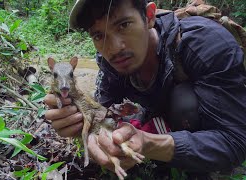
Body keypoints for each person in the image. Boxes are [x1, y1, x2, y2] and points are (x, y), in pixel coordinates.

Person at [44, 0, 246, 177]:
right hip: (157, 115)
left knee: (185, 103)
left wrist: (150, 144)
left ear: (149, 16)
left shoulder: (205, 44)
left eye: (123, 25)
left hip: (204, 120)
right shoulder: (110, 63)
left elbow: (235, 141)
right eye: (99, 35)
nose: (113, 48)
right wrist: (79, 124)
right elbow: (104, 113)